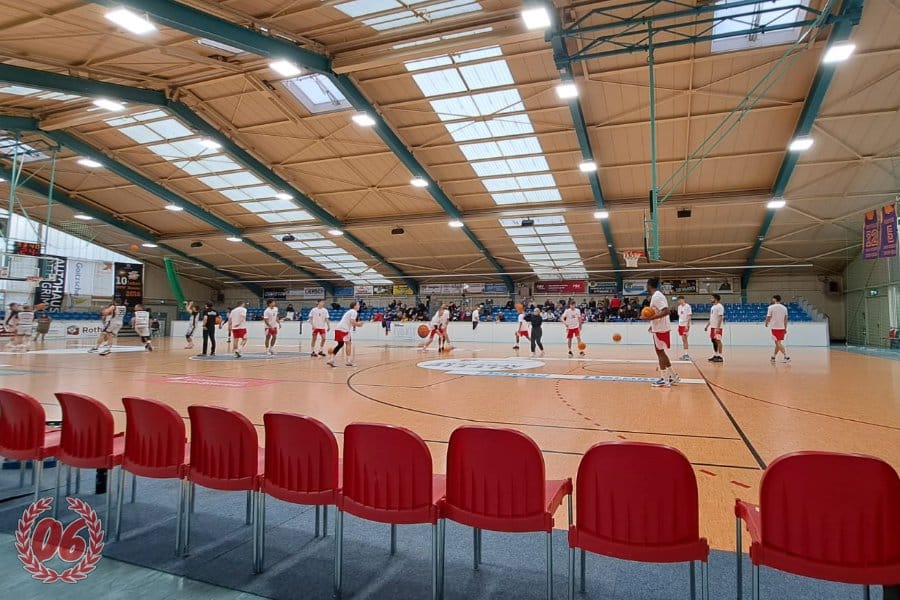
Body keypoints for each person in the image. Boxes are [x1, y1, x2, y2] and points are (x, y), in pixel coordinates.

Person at [642, 278, 680, 388]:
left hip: (661, 328)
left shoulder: (656, 296)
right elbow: (659, 312)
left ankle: (664, 379)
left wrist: (650, 318)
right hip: (660, 327)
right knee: (661, 352)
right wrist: (652, 323)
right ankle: (673, 376)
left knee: (660, 353)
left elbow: (666, 311)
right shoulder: (657, 295)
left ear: (649, 285)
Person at [327, 301, 363, 368]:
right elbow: (352, 322)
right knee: (347, 343)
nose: (359, 306)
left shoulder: (350, 312)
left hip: (339, 328)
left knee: (341, 344)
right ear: (354, 306)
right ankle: (348, 361)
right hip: (344, 329)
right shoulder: (354, 312)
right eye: (358, 305)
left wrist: (357, 324)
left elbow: (352, 323)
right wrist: (359, 324)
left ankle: (331, 359)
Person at [765, 294, 790, 363]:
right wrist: (785, 328)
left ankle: (786, 357)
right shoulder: (784, 308)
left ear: (775, 299)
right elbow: (786, 319)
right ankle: (773, 357)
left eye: (773, 299)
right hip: (782, 327)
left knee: (778, 343)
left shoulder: (771, 307)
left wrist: (766, 323)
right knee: (777, 343)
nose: (772, 300)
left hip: (775, 327)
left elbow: (768, 317)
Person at [705, 294, 725, 363]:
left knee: (718, 340)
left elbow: (720, 317)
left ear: (715, 299)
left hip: (717, 327)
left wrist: (718, 327)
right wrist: (707, 326)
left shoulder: (720, 306)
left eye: (712, 298)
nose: (711, 299)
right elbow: (711, 318)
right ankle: (716, 355)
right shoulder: (713, 307)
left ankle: (720, 356)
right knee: (713, 340)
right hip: (713, 327)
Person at [676, 296, 692, 360]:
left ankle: (686, 354)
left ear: (683, 300)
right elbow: (680, 316)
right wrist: (679, 325)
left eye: (680, 300)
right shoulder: (679, 307)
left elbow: (689, 316)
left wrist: (687, 325)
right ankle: (685, 354)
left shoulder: (687, 306)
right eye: (678, 300)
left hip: (685, 324)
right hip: (680, 324)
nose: (679, 301)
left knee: (684, 339)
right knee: (683, 340)